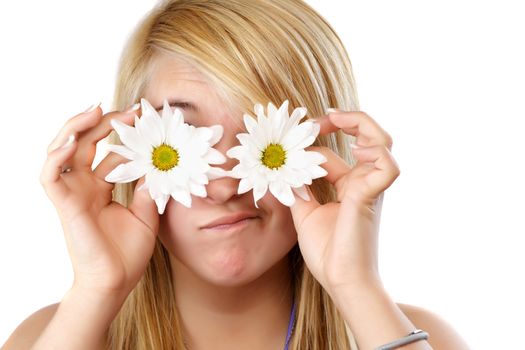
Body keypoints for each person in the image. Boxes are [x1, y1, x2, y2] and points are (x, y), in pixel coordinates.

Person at [2, 1, 470, 349]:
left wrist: (355, 285)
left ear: (320, 147)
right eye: (184, 141)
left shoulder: (409, 337)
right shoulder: (52, 337)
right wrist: (97, 289)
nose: (225, 186)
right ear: (135, 152)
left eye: (262, 145)